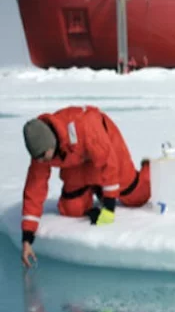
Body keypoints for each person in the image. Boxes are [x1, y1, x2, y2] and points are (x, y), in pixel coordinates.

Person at [20, 106, 151, 268]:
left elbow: (109, 164)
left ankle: (148, 169)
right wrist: (27, 237)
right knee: (71, 209)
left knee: (137, 196)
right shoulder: (41, 151)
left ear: (51, 145)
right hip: (76, 162)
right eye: (37, 158)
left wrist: (109, 206)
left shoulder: (85, 126)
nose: (41, 162)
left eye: (43, 157)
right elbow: (34, 188)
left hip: (106, 146)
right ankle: (96, 187)